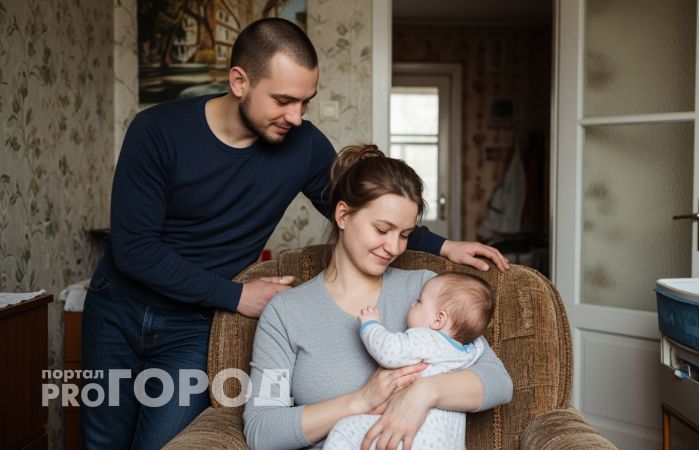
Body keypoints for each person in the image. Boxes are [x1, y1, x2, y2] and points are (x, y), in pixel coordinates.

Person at [81, 18, 508, 450]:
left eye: (306, 102)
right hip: (119, 307)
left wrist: (443, 245)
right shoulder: (156, 131)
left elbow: (367, 207)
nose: (296, 117)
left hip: (192, 324)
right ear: (239, 81)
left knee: (161, 445)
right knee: (102, 442)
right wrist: (237, 296)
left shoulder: (302, 145)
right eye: (284, 100)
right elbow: (134, 250)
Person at [244, 145, 513, 450]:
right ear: (343, 215)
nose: (395, 248)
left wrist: (424, 393)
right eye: (382, 229)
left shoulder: (426, 291)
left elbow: (498, 381)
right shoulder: (286, 313)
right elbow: (262, 430)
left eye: (404, 234)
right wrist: (361, 400)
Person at [323, 272, 495, 450]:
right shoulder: (471, 351)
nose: (412, 304)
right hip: (449, 441)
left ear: (438, 319)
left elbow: (389, 351)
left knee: (344, 431)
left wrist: (371, 324)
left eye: (419, 301)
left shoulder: (425, 338)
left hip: (414, 437)